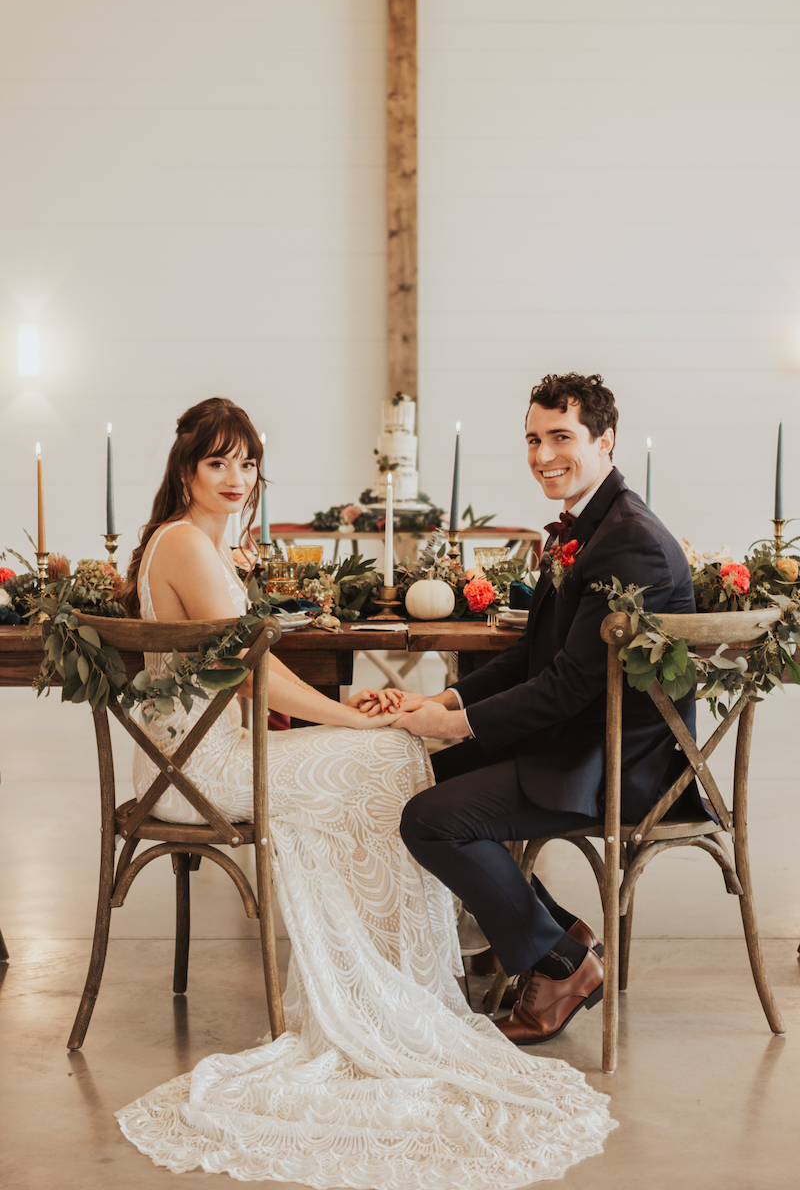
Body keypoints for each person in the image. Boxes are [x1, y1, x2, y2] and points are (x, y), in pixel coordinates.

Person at [115, 397, 615, 1188]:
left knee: (387, 755)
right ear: (186, 469)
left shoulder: (198, 543)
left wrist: (354, 724)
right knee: (384, 757)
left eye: (248, 463)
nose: (238, 478)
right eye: (219, 463)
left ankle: (449, 959)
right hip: (199, 771)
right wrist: (347, 717)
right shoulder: (185, 545)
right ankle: (405, 979)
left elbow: (243, 674)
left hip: (212, 752)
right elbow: (257, 674)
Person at [396, 372, 699, 1047]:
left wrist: (456, 726)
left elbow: (565, 688)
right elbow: (533, 658)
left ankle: (557, 961)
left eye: (561, 437)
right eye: (533, 438)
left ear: (605, 440)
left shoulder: (630, 542)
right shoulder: (585, 528)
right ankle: (560, 940)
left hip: (619, 762)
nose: (542, 455)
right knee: (411, 772)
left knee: (430, 821)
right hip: (578, 738)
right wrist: (441, 701)